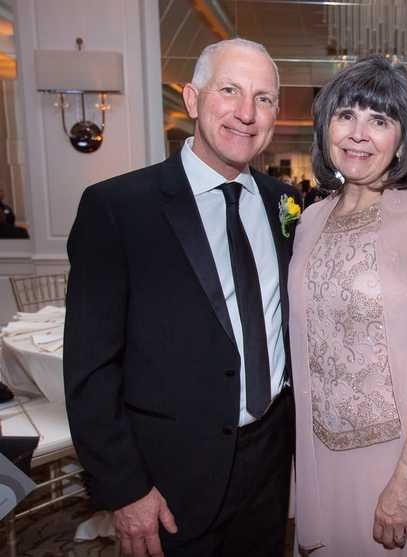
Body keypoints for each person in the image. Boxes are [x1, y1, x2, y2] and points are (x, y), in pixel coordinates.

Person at [64, 38, 298, 557]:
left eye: (263, 98)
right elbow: (90, 370)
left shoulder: (286, 205)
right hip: (167, 482)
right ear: (193, 99)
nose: (245, 112)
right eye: (230, 91)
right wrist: (125, 488)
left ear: (275, 114)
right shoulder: (118, 210)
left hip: (268, 467)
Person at [289, 55, 407, 556]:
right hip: (320, 458)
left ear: (402, 138)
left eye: (379, 120)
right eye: (346, 114)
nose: (358, 133)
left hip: (400, 462)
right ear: (327, 124)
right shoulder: (309, 223)